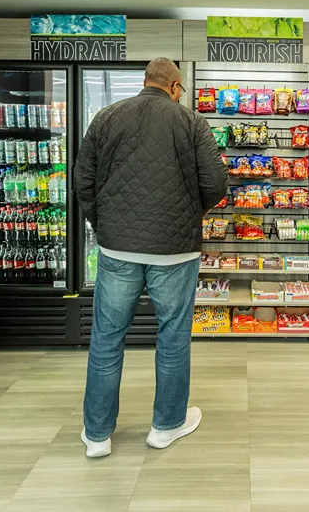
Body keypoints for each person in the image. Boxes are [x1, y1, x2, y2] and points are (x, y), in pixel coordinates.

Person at [74, 57, 228, 457]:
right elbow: (215, 182)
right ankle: (166, 426)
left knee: (107, 339)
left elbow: (83, 180)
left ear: (146, 82)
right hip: (175, 251)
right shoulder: (192, 122)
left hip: (116, 248)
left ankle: (97, 436)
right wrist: (196, 212)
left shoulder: (107, 118)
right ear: (175, 86)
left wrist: (103, 224)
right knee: (173, 337)